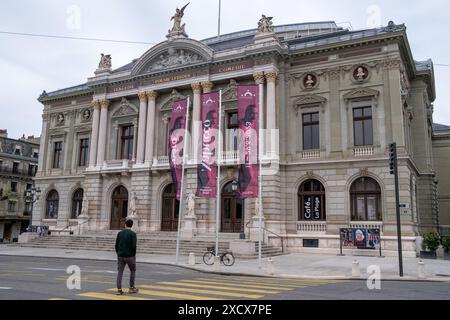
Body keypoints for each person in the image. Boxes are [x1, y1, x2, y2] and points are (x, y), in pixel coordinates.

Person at [115, 219, 139, 295]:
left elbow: (116, 245)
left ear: (125, 224)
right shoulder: (133, 234)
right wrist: (133, 254)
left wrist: (118, 253)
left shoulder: (120, 233)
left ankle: (119, 289)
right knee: (133, 270)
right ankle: (131, 288)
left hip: (120, 255)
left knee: (120, 272)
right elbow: (134, 246)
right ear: (132, 225)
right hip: (130, 256)